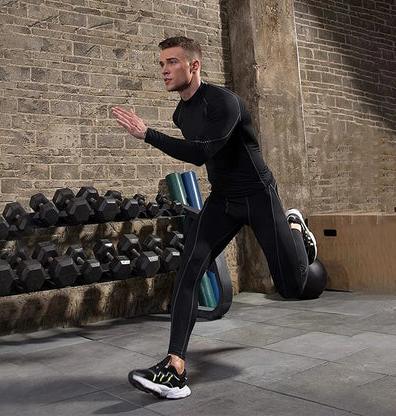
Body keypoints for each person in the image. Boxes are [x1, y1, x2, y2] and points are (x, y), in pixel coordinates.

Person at [111, 36, 317, 400]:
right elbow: (203, 156)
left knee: (291, 288)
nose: (164, 70)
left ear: (194, 66)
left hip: (258, 196)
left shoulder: (225, 102)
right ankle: (174, 367)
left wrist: (147, 134)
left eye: (172, 62)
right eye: (161, 64)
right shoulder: (181, 112)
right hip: (223, 200)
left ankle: (294, 228)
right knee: (189, 269)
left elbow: (201, 152)